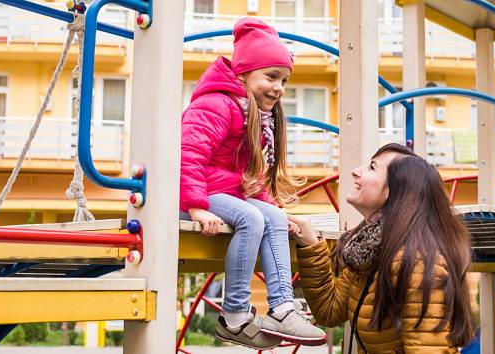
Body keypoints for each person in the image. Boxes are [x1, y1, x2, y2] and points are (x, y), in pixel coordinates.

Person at [180, 17, 326, 350]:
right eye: (271, 76)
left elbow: (252, 175)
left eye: (285, 80)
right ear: (243, 73)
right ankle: (234, 315)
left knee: (271, 217)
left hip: (226, 194)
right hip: (195, 194)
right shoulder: (215, 105)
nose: (279, 88)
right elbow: (187, 156)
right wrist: (197, 208)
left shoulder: (255, 115)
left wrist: (277, 209)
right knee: (252, 218)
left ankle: (282, 307)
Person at [288, 143, 474, 353]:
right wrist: (311, 244)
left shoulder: (416, 260)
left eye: (372, 167)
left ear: (392, 191)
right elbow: (330, 311)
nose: (356, 171)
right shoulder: (368, 252)